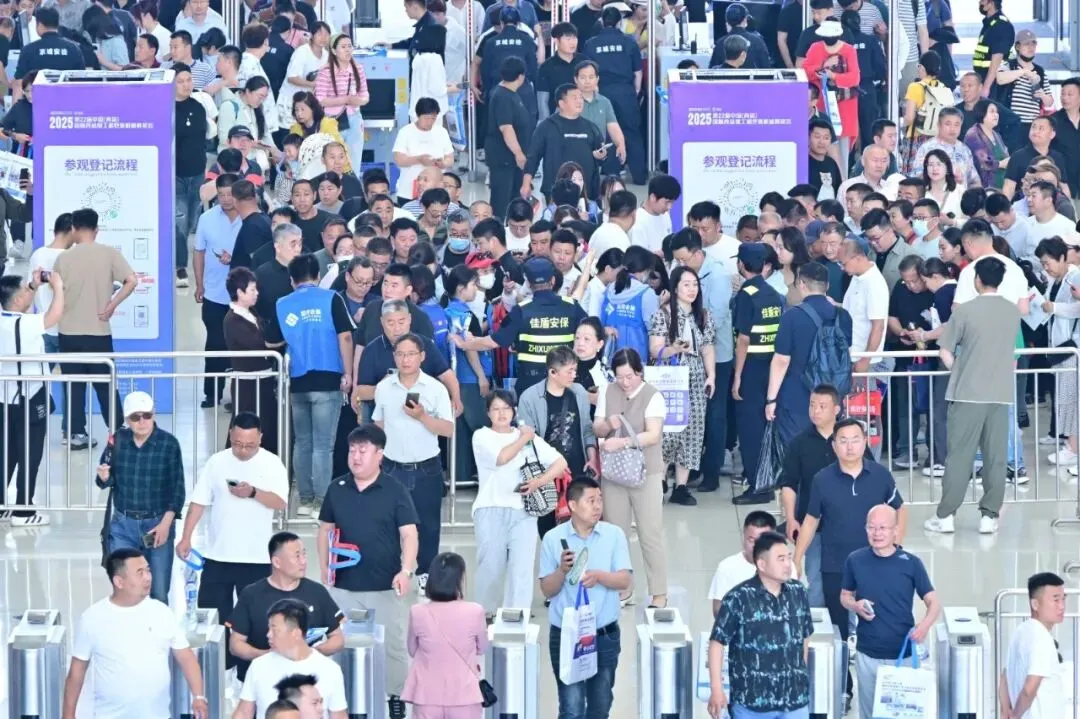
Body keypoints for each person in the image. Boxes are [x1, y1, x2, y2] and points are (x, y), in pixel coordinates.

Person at [793, 418, 906, 705]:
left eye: (855, 439)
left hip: (876, 566)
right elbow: (811, 521)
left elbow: (899, 508)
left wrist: (896, 545)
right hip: (836, 566)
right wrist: (796, 557)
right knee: (838, 631)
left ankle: (884, 687)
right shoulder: (822, 479)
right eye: (842, 440)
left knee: (878, 625)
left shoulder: (880, 475)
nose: (850, 446)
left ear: (865, 442)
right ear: (834, 446)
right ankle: (844, 689)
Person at [316, 425, 418, 719]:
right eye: (352, 450)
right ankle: (339, 698)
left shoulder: (395, 490)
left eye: (363, 450)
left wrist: (406, 571)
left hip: (384, 584)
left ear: (379, 454)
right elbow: (324, 531)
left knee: (392, 646)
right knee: (338, 643)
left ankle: (396, 695)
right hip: (343, 586)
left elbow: (409, 534)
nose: (356, 456)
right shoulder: (337, 488)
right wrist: (324, 568)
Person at [176, 412, 288, 668]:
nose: (243, 450)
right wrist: (185, 538)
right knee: (213, 619)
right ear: (230, 436)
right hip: (218, 555)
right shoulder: (217, 462)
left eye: (250, 445)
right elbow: (198, 502)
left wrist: (253, 492)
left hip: (256, 558)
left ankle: (251, 671)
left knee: (257, 621)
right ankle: (218, 669)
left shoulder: (272, 464)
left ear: (260, 438)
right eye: (237, 444)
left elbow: (281, 502)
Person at [925, 255, 1022, 536]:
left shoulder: (965, 311)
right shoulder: (1012, 311)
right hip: (1000, 392)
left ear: (977, 280)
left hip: (967, 393)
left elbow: (945, 351)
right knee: (996, 457)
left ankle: (946, 516)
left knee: (959, 456)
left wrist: (959, 370)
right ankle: (989, 516)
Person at [61, 548, 209, 719]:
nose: (148, 577)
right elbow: (77, 671)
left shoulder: (161, 612)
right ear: (119, 581)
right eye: (140, 573)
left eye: (148, 570)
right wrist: (68, 715)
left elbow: (186, 657)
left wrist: (198, 697)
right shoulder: (93, 617)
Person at [539, 476, 631, 719]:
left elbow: (624, 581)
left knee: (600, 707)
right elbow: (547, 590)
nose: (598, 506)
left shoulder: (614, 535)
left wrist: (600, 576)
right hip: (567, 635)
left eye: (600, 499)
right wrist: (561, 571)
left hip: (604, 634)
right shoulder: (553, 539)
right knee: (571, 708)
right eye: (591, 501)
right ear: (572, 505)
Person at [841, 504, 941, 719]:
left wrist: (923, 627)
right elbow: (845, 596)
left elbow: (934, 602)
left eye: (883, 528)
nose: (876, 533)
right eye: (871, 527)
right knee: (869, 714)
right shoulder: (855, 560)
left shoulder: (911, 563)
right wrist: (856, 605)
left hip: (902, 655)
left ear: (895, 530)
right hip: (868, 654)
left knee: (902, 715)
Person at [472, 389, 566, 615]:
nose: (501, 413)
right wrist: (524, 438)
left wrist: (538, 482)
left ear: (514, 411)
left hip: (524, 510)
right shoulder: (482, 436)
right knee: (491, 565)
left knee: (522, 567)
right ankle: (485, 613)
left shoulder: (528, 437)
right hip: (491, 508)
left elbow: (560, 462)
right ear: (488, 413)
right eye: (496, 409)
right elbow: (501, 458)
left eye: (506, 408)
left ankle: (517, 614)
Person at [372, 332, 453, 586]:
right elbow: (378, 424)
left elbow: (448, 429)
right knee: (388, 523)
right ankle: (391, 572)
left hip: (426, 467)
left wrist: (422, 417)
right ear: (394, 357)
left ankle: (425, 573)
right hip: (392, 467)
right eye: (400, 354)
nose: (405, 360)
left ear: (422, 356)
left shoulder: (435, 388)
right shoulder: (384, 387)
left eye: (411, 354)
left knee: (428, 525)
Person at [277, 253, 354, 515]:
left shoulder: (282, 303)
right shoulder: (331, 298)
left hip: (297, 381)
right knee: (323, 445)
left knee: (302, 443)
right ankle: (321, 501)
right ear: (318, 276)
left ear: (291, 280)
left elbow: (273, 339)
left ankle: (305, 500)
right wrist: (348, 372)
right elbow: (345, 337)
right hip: (328, 379)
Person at [707, 531, 813, 719]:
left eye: (789, 558)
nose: (787, 564)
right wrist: (716, 689)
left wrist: (800, 675)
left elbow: (804, 636)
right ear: (762, 564)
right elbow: (717, 643)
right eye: (780, 559)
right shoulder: (738, 598)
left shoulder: (798, 592)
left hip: (794, 701)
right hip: (752, 703)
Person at [592, 348, 666, 607]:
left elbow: (653, 434)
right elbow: (597, 427)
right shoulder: (607, 391)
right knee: (615, 534)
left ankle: (659, 593)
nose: (624, 382)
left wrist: (622, 442)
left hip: (646, 473)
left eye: (629, 376)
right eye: (619, 377)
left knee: (650, 534)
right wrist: (608, 426)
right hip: (613, 474)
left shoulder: (653, 396)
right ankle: (624, 588)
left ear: (639, 372)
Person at [53, 208, 133, 448]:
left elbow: (57, 293)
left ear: (74, 229)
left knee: (73, 387)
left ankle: (76, 434)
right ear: (97, 229)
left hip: (69, 332)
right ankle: (118, 432)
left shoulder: (63, 258)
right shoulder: (109, 254)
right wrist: (111, 305)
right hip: (99, 331)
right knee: (106, 386)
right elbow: (132, 281)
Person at [95, 391, 184, 603]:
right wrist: (104, 477)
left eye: (147, 415)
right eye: (136, 417)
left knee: (158, 590)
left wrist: (165, 524)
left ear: (154, 414)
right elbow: (105, 480)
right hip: (123, 525)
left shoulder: (169, 444)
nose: (142, 422)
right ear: (127, 420)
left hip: (157, 524)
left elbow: (177, 489)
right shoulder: (117, 441)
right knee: (125, 589)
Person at [452, 256, 586, 394]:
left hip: (531, 386)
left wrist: (464, 344)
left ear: (528, 283)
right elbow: (591, 332)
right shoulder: (571, 306)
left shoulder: (521, 310)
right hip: (565, 384)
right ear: (553, 280)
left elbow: (493, 342)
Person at [228, 532, 345, 682]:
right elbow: (235, 644)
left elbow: (337, 638)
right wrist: (266, 656)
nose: (303, 561)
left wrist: (309, 653)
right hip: (259, 680)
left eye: (304, 554)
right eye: (297, 556)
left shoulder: (317, 592)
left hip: (306, 681)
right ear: (277, 562)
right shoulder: (251, 594)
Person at [649, 266, 716, 507]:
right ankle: (659, 481)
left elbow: (708, 347)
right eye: (686, 284)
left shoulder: (704, 315)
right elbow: (655, 350)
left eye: (695, 284)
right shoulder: (663, 315)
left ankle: (681, 486)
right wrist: (674, 348)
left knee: (693, 431)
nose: (692, 289)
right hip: (669, 380)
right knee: (667, 431)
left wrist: (711, 375)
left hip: (696, 379)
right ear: (675, 287)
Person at [0, 269, 63, 526]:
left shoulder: (5, 321)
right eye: (25, 291)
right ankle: (24, 511)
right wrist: (57, 287)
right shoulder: (24, 324)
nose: (29, 293)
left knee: (7, 453)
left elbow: (23, 302)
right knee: (30, 454)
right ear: (17, 300)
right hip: (29, 397)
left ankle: (2, 506)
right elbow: (54, 316)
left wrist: (33, 286)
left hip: (5, 399)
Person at [725, 244, 784, 505]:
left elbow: (743, 339)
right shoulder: (773, 293)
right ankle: (765, 480)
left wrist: (737, 377)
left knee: (750, 430)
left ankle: (758, 486)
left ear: (741, 264)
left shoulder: (746, 295)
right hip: (770, 368)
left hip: (750, 368)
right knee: (763, 427)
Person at [517, 346, 597, 528]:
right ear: (553, 372)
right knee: (547, 527)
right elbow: (527, 441)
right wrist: (554, 468)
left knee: (579, 525)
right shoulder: (529, 398)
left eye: (575, 370)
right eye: (569, 371)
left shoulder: (579, 393)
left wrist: (592, 458)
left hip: (577, 470)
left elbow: (587, 429)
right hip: (546, 473)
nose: (574, 375)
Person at [403, 552, 490, 719]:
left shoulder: (417, 612)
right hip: (465, 695)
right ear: (460, 580)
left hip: (426, 695)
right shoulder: (475, 611)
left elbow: (412, 650)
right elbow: (482, 648)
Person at [778, 384, 842, 608]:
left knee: (848, 583)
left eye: (822, 406)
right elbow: (789, 483)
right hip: (812, 526)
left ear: (836, 409)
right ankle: (818, 626)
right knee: (816, 581)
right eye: (812, 405)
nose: (815, 411)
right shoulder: (799, 443)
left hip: (847, 525)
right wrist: (790, 518)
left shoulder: (848, 439)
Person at [234, 599, 348, 719]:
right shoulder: (259, 666)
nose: (268, 635)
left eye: (275, 630)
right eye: (269, 629)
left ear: (296, 633)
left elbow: (339, 716)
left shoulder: (330, 670)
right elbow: (243, 713)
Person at [193, 173, 242, 408]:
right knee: (214, 344)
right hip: (214, 293)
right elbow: (199, 252)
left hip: (242, 296)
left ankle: (239, 395)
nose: (225, 199)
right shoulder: (207, 219)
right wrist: (199, 284)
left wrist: (235, 259)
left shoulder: (249, 218)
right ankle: (212, 393)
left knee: (240, 345)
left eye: (229, 194)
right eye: (221, 194)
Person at [584, 6, 643, 185]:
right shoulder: (629, 42)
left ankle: (611, 173)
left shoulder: (591, 44)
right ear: (619, 22)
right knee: (632, 132)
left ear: (602, 21)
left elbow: (588, 71)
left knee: (608, 133)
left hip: (603, 91)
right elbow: (638, 72)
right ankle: (639, 175)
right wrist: (635, 91)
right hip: (625, 91)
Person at [1001, 572, 1067, 719]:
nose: (1062, 606)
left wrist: (1005, 712)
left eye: (1063, 599)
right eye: (1056, 600)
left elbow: (1004, 677)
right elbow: (1029, 687)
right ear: (1035, 604)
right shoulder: (1041, 637)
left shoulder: (1020, 631)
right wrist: (1015, 716)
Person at [709, 510, 800, 617]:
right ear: (743, 537)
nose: (756, 546)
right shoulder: (727, 567)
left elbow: (793, 605)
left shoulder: (786, 566)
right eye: (751, 540)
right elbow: (718, 611)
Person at [522, 84, 605, 201]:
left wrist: (602, 155)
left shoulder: (590, 127)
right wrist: (526, 183)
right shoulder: (546, 127)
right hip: (555, 191)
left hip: (586, 191)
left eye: (581, 97)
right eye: (574, 98)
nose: (579, 101)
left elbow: (601, 151)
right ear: (561, 103)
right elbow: (533, 157)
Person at [803, 21, 860, 172]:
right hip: (821, 105)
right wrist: (823, 66)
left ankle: (841, 180)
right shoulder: (815, 48)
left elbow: (854, 78)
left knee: (842, 153)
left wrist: (833, 75)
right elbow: (805, 71)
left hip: (844, 109)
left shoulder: (849, 51)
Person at [486, 56, 534, 222]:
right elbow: (506, 128)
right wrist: (519, 153)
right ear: (521, 76)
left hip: (512, 160)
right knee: (501, 201)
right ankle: (497, 229)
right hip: (504, 158)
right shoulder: (502, 96)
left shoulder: (511, 94)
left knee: (514, 200)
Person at [313, 33, 368, 168]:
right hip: (332, 120)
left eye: (349, 46)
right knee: (332, 162)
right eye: (343, 47)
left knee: (354, 161)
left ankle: (352, 182)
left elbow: (365, 94)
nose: (348, 50)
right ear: (333, 51)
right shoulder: (325, 71)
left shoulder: (358, 68)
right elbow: (320, 100)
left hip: (354, 118)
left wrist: (359, 101)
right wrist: (346, 100)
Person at [391, 97, 454, 206]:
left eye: (433, 118)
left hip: (436, 192)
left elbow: (450, 158)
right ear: (418, 115)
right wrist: (419, 160)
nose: (429, 122)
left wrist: (443, 163)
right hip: (408, 191)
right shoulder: (406, 132)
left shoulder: (441, 132)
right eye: (426, 118)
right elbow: (399, 159)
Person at [13, 7, 84, 82]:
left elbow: (19, 81)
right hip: (67, 89)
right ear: (57, 24)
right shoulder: (74, 49)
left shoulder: (28, 50)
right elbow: (82, 79)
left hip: (37, 89)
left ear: (39, 24)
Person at [964, 98, 1010, 190]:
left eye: (997, 112)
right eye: (992, 111)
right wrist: (1001, 164)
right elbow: (983, 163)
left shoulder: (997, 135)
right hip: (982, 187)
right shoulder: (973, 134)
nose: (996, 114)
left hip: (1001, 186)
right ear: (982, 112)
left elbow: (1006, 156)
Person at [972, 0, 1014, 98]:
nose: (979, 3)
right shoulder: (990, 24)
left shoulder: (1000, 25)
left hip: (995, 86)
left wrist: (986, 87)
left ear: (991, 3)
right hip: (985, 79)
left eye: (982, 1)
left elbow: (997, 58)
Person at [629, 174, 679, 254]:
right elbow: (638, 257)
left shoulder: (665, 214)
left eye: (672, 202)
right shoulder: (637, 221)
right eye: (667, 202)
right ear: (653, 197)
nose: (670, 207)